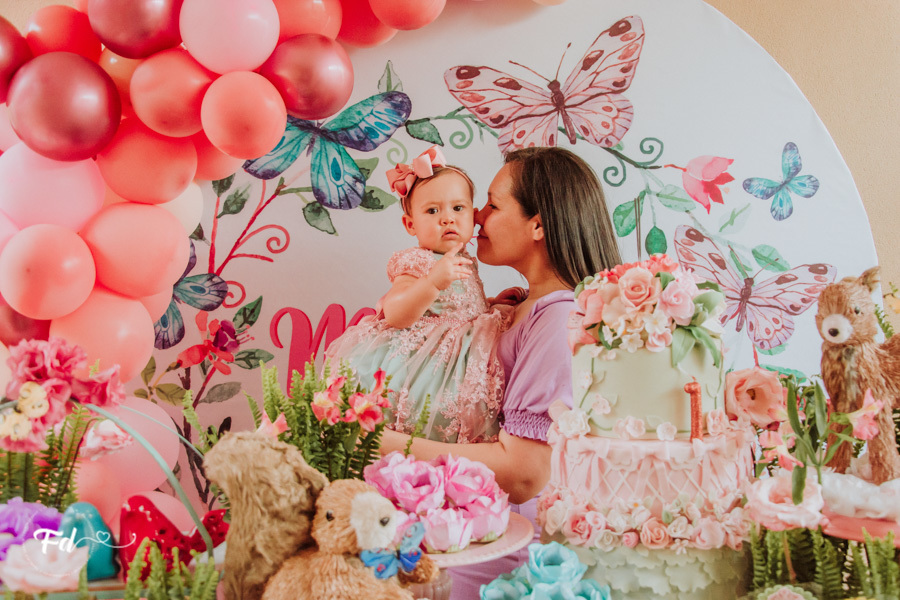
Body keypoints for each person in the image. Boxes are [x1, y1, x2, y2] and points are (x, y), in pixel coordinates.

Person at [377, 146, 622, 599]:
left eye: (491, 202)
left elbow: (525, 471)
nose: (476, 215)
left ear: (538, 224)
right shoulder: (516, 306)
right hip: (461, 528)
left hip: (495, 551)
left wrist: (381, 444)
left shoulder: (556, 319)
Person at [325, 145, 511, 444]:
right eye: (433, 211)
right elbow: (396, 313)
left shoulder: (463, 259)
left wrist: (493, 303)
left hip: (463, 359)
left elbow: (459, 307)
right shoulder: (416, 261)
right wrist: (432, 283)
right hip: (425, 363)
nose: (447, 219)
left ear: (474, 215)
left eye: (458, 208)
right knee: (430, 414)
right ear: (410, 224)